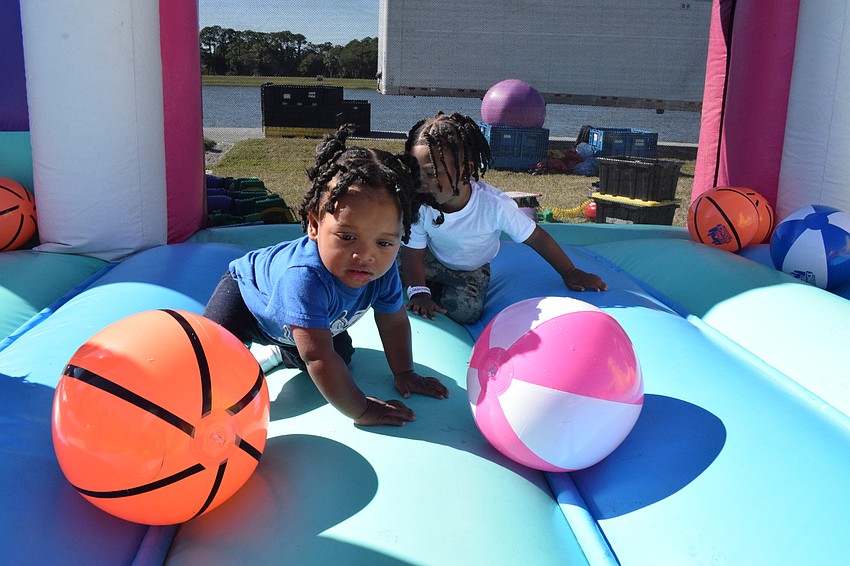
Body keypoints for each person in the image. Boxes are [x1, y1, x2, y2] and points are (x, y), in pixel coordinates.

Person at [204, 125, 448, 427]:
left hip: (295, 324)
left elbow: (394, 322)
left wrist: (404, 372)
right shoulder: (303, 277)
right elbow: (319, 357)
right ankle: (268, 348)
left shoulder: (381, 271)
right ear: (314, 225)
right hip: (247, 300)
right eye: (347, 237)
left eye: (384, 243)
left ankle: (282, 351)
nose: (365, 255)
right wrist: (362, 410)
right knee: (211, 364)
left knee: (341, 355)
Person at [400, 111, 608, 324]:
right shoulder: (421, 204)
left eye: (431, 174)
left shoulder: (494, 206)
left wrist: (569, 271)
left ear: (466, 171)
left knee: (467, 311)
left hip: (470, 271)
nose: (421, 182)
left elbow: (536, 237)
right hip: (431, 259)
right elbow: (412, 251)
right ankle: (422, 285)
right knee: (387, 266)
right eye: (417, 173)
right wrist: (419, 292)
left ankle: (430, 287)